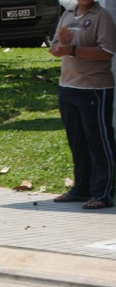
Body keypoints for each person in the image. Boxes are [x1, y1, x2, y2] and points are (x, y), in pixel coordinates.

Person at [49, 0, 116, 209]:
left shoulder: (101, 16)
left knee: (99, 142)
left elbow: (107, 52)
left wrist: (73, 49)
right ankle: (81, 189)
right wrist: (61, 47)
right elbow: (55, 48)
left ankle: (103, 193)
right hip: (67, 86)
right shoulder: (68, 13)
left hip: (94, 88)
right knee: (77, 142)